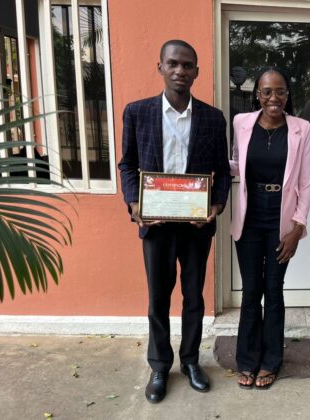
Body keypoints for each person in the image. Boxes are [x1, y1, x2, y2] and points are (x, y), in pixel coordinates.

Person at [118, 39, 231, 403]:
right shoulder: (138, 113)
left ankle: (191, 361)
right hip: (157, 224)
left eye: (187, 65)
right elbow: (127, 165)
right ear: (161, 68)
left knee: (194, 297)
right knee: (158, 298)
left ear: (196, 71)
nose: (180, 70)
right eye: (173, 64)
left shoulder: (212, 118)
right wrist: (134, 201)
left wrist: (216, 205)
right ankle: (159, 366)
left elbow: (222, 171)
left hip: (196, 225)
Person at [229, 67, 310, 390]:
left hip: (282, 220)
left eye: (280, 91)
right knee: (251, 291)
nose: (273, 98)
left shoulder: (301, 129)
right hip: (249, 218)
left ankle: (271, 361)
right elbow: (238, 163)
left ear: (288, 95)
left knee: (274, 290)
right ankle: (247, 359)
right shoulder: (241, 123)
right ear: (257, 94)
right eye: (267, 92)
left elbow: (305, 182)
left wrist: (298, 228)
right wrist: (208, 165)